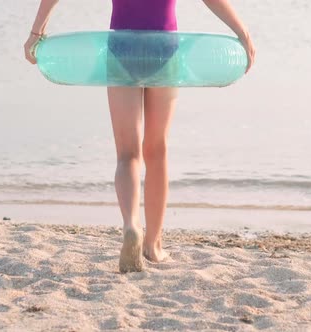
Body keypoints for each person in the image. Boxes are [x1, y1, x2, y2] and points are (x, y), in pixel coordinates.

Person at [24, 0, 255, 273]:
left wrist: (36, 33)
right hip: (165, 48)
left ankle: (131, 225)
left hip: (121, 47)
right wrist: (244, 35)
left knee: (127, 154)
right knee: (157, 150)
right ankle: (153, 246)